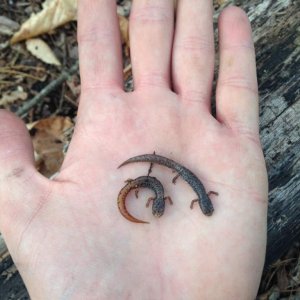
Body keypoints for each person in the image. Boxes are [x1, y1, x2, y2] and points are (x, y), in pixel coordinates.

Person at [0, 1, 268, 299]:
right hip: (172, 174)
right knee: (164, 169)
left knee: (166, 169)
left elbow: (183, 188)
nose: (203, 204)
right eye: (204, 204)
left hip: (173, 174)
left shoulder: (182, 193)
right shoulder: (180, 191)